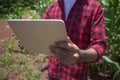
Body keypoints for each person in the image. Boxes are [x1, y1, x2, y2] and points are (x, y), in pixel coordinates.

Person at [43, 0, 106, 80]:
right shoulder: (51, 8)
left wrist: (80, 55)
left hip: (76, 76)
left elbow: (100, 45)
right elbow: (44, 35)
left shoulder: (94, 7)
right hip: (53, 72)